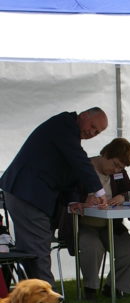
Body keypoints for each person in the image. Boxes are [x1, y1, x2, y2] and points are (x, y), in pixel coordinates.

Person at [0, 107, 109, 288]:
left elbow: (68, 170)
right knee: (38, 248)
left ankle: (34, 296)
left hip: (26, 193)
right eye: (93, 126)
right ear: (83, 116)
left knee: (34, 248)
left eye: (97, 132)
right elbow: (78, 161)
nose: (92, 133)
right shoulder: (64, 125)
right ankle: (47, 300)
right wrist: (99, 191)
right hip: (27, 193)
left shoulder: (66, 133)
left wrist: (73, 200)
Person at [73, 138, 130, 299]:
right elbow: (68, 194)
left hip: (111, 225)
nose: (116, 170)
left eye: (121, 167)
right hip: (84, 224)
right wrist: (85, 200)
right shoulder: (83, 168)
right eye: (115, 164)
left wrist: (122, 197)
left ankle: (114, 287)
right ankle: (90, 288)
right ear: (106, 153)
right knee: (92, 246)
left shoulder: (119, 174)